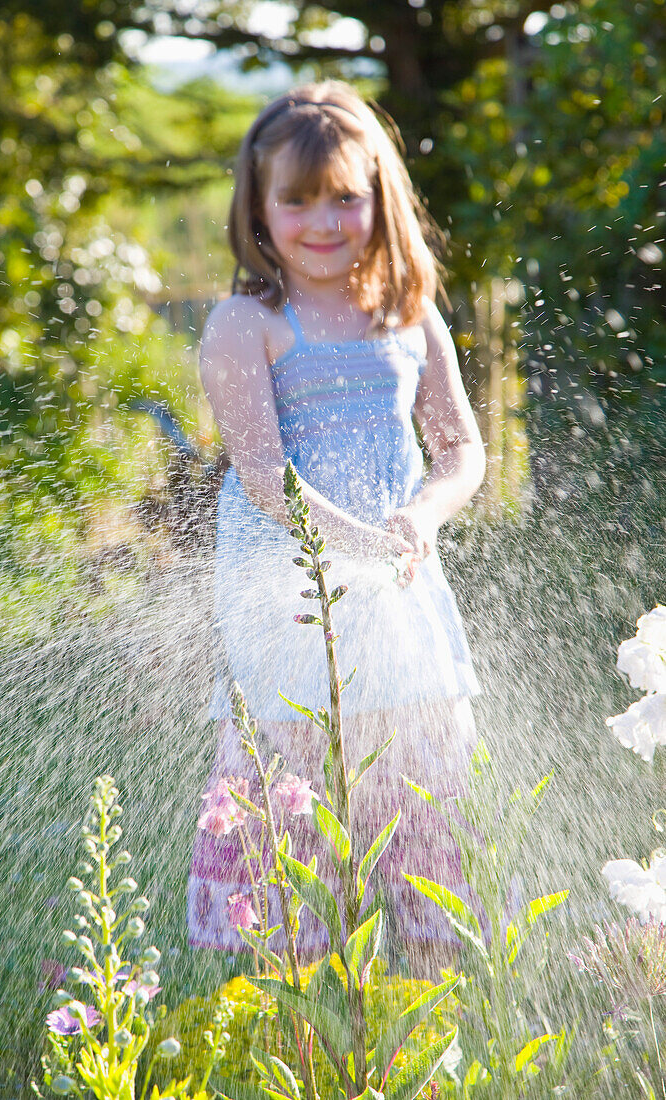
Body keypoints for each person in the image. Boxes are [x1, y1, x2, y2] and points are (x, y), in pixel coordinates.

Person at [187, 80, 486, 977]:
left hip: (401, 613)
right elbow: (263, 476)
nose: (323, 220)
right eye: (297, 199)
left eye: (346, 197)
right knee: (292, 836)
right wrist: (358, 541)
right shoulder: (247, 325)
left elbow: (460, 449)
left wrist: (420, 516)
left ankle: (420, 1037)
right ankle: (306, 1027)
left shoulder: (407, 316)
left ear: (378, 198)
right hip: (289, 624)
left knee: (426, 823)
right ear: (260, 209)